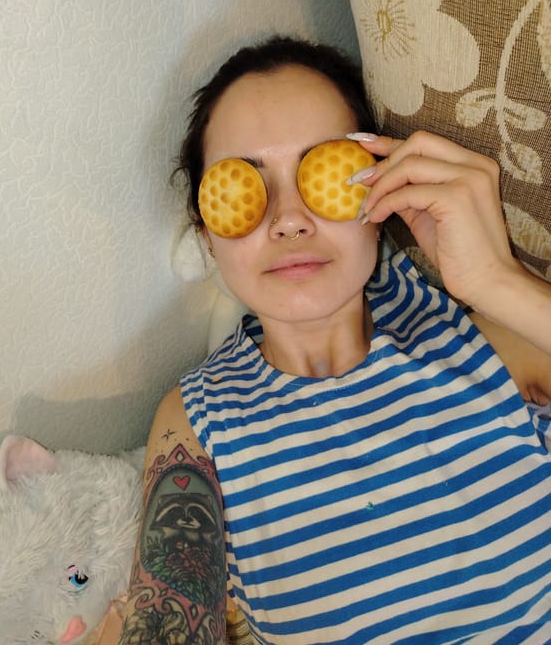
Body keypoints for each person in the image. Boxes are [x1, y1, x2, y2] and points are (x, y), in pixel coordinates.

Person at [118, 36, 551, 645]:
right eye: (242, 188)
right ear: (206, 230)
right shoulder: (197, 422)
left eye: (324, 175)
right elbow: (164, 614)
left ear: (384, 190)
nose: (288, 219)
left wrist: (497, 280)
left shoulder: (494, 341)